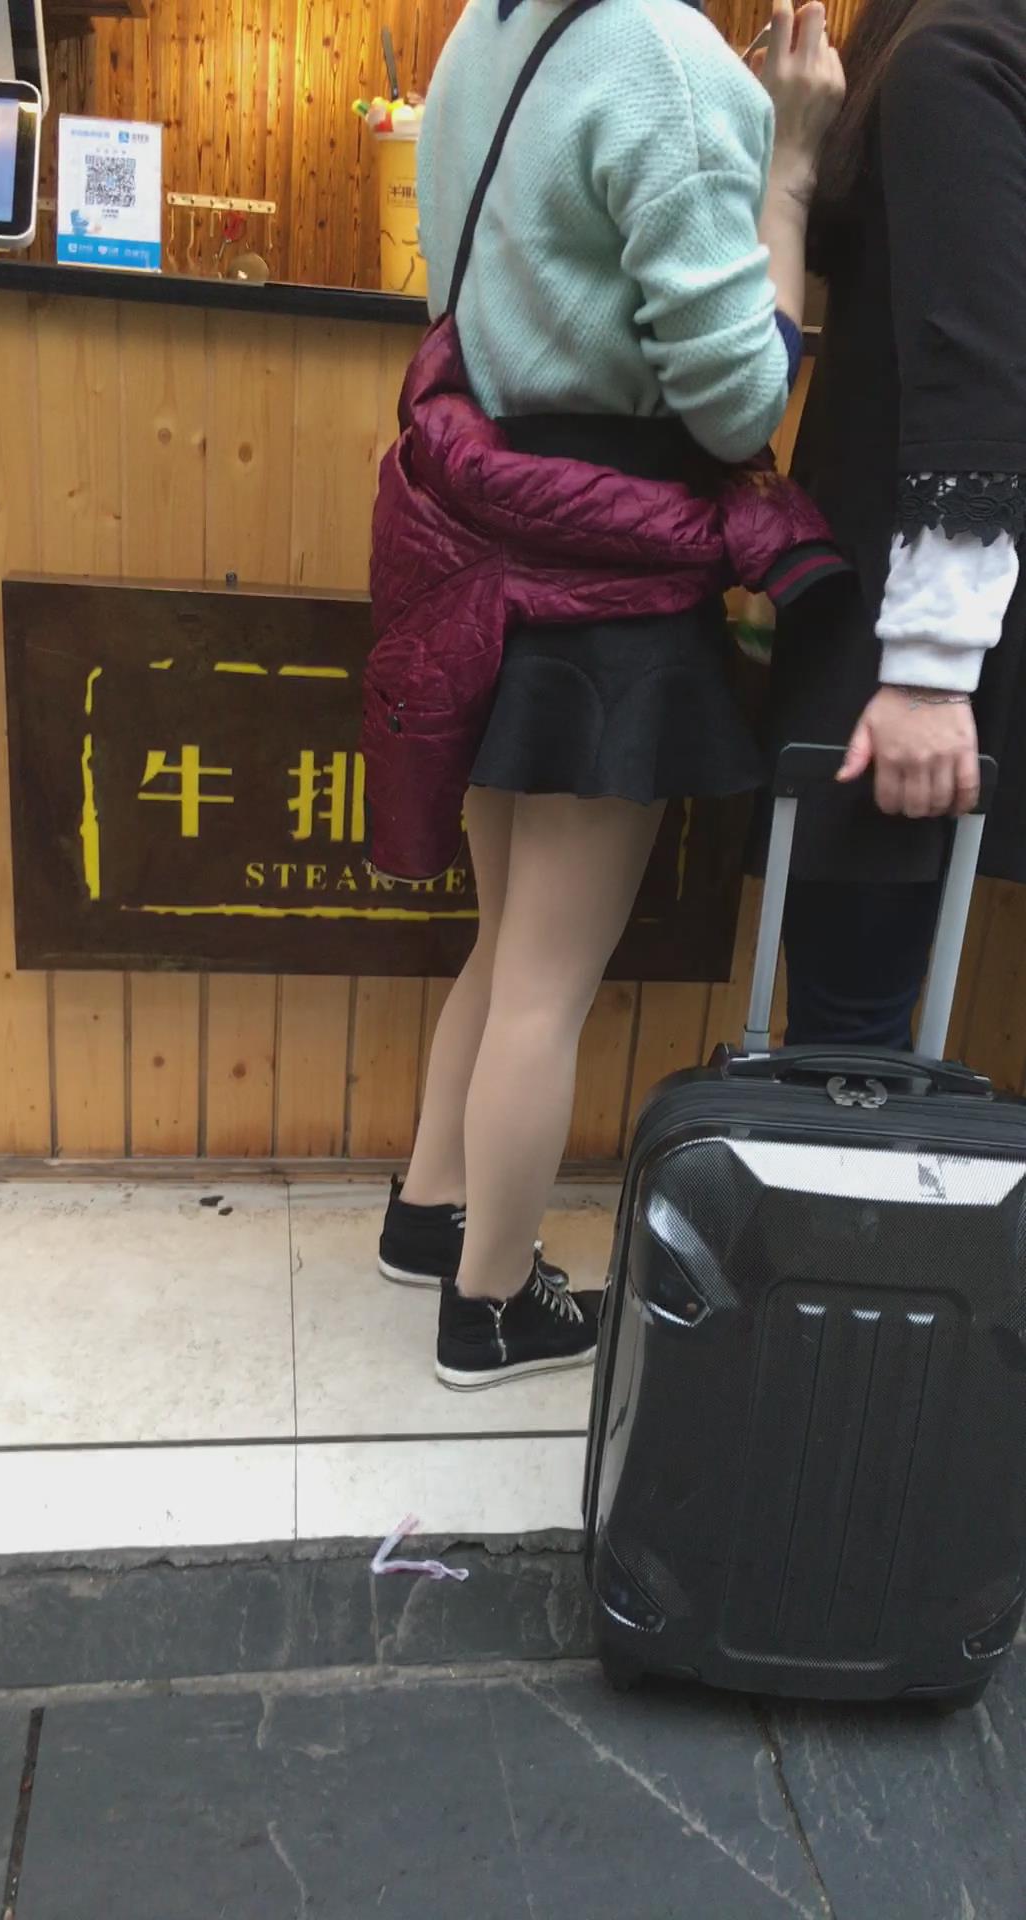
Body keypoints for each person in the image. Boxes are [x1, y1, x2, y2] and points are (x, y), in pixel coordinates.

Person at [375, 0, 844, 1388]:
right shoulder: (662, 59)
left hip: (491, 556)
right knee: (547, 985)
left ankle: (428, 1213)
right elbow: (739, 405)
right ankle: (492, 1306)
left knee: (506, 947)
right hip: (613, 585)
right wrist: (791, 169)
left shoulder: (484, 31)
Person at [770, 0, 1026, 1048]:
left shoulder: (955, 52)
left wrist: (929, 667)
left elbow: (977, 371)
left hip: (910, 629)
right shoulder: (944, 44)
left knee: (848, 1042)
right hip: (906, 606)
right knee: (853, 1027)